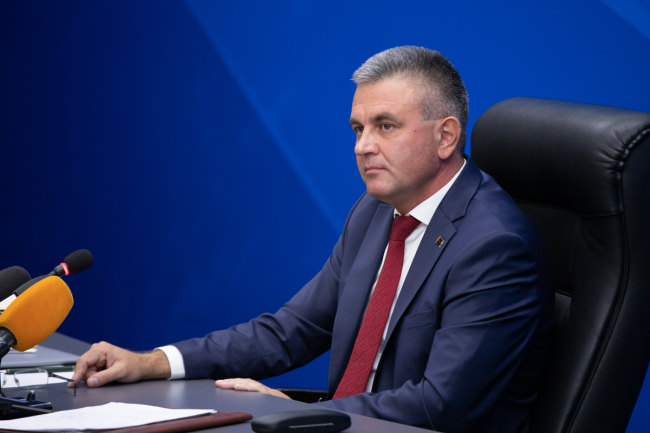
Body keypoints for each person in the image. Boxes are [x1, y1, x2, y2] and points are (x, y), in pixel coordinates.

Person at [72, 46, 554, 433]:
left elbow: (440, 406)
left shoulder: (493, 246)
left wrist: (302, 414)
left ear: (446, 136)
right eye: (358, 128)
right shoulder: (375, 211)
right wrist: (153, 362)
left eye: (386, 126)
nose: (363, 146)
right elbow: (290, 332)